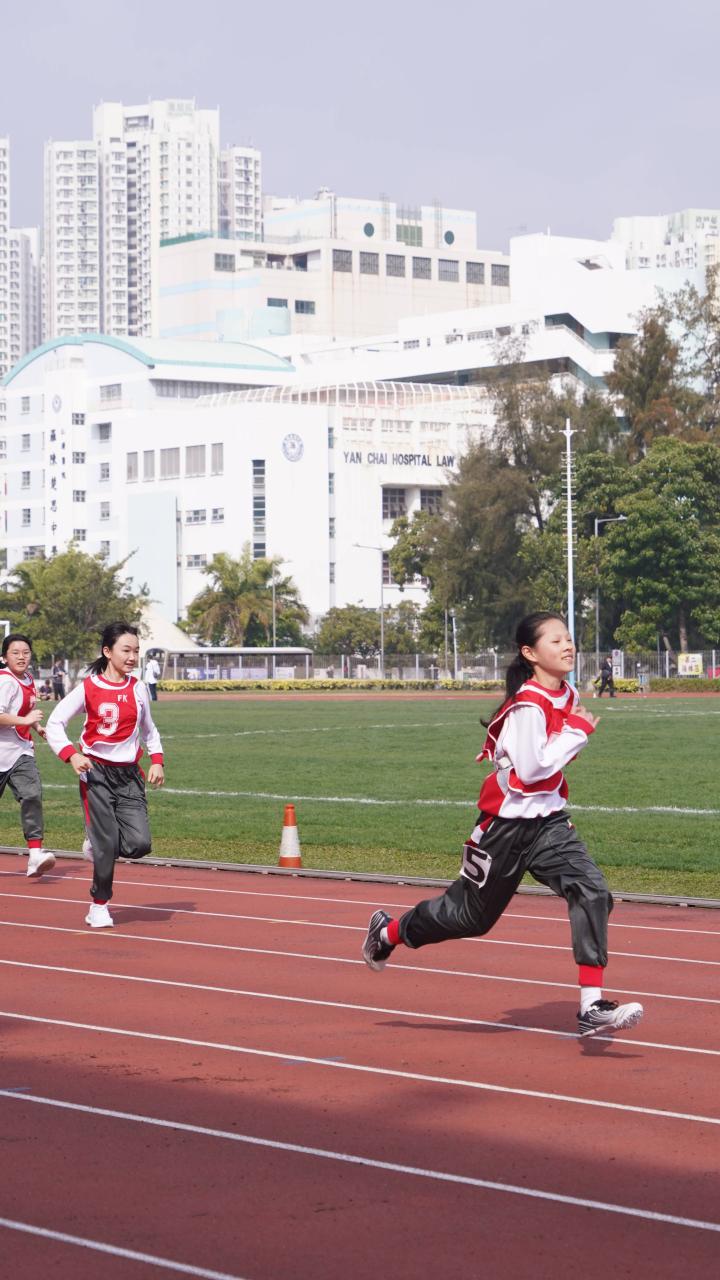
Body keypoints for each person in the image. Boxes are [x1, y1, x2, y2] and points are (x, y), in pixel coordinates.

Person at [361, 611, 644, 1037]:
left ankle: (592, 1005)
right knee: (469, 919)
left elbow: (549, 763)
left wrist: (572, 734)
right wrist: (578, 733)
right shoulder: (527, 706)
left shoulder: (566, 693)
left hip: (549, 824)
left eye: (568, 638)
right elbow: (531, 770)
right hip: (503, 830)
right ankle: (388, 932)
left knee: (592, 890)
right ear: (530, 653)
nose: (568, 646)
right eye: (555, 641)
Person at [45, 622, 165, 929]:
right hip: (96, 774)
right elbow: (55, 722)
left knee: (139, 844)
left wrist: (157, 760)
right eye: (126, 650)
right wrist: (72, 755)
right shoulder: (88, 687)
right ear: (107, 652)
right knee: (107, 844)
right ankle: (99, 905)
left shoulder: (138, 688)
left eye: (136, 651)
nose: (132, 657)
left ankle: (96, 843)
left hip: (129, 776)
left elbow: (149, 729)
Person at [0, 633, 55, 878]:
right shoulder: (5, 682)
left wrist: (36, 726)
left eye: (26, 652)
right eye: (15, 653)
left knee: (32, 794)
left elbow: (25, 710)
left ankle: (35, 855)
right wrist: (26, 720)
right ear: (4, 658)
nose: (21, 657)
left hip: (20, 751)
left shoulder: (28, 678)